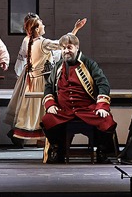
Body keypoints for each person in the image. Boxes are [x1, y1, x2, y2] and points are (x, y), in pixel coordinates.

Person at [5, 14, 86, 144]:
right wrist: (75, 29)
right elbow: (63, 43)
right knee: (43, 109)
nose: (44, 25)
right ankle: (41, 137)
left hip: (32, 80)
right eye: (41, 24)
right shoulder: (43, 42)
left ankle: (36, 137)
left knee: (33, 110)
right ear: (37, 29)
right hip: (41, 81)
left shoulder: (29, 40)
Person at [41, 32, 116, 163]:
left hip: (86, 109)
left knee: (106, 119)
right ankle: (58, 151)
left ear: (77, 47)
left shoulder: (89, 64)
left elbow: (103, 83)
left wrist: (101, 106)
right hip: (64, 110)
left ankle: (102, 152)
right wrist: (51, 104)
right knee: (47, 119)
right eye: (63, 48)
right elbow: (48, 86)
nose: (66, 51)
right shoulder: (58, 66)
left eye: (69, 47)